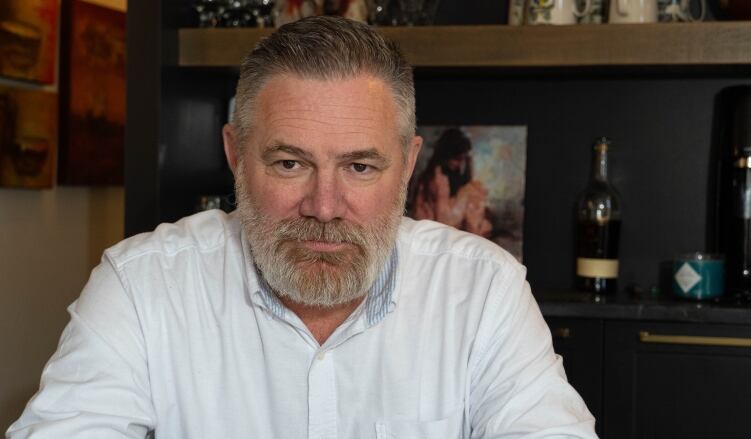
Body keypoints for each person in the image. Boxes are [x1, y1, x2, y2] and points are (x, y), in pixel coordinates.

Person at [6, 16, 597, 438]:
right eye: (290, 163)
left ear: (409, 165)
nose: (324, 205)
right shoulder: (141, 288)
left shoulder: (483, 291)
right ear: (237, 156)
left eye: (360, 166)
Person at [411, 127, 493, 237]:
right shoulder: (438, 178)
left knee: (475, 193)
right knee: (471, 193)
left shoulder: (452, 174)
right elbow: (443, 220)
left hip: (443, 226)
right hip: (433, 230)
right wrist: (465, 195)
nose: (460, 165)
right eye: (457, 159)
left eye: (463, 159)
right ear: (447, 155)